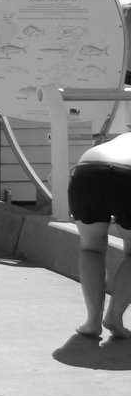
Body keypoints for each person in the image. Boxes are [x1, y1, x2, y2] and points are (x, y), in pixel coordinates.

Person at [68, 133, 131, 338]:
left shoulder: (122, 137)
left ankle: (92, 322)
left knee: (91, 247)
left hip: (88, 170)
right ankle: (114, 316)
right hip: (127, 175)